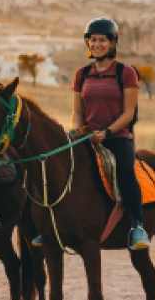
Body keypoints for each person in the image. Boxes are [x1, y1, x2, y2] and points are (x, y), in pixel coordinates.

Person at [61, 18, 148, 250]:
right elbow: (77, 110)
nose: (97, 44)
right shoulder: (82, 73)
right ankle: (54, 226)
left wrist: (107, 132)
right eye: (93, 40)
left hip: (117, 138)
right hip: (87, 137)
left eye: (102, 40)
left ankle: (137, 226)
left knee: (125, 172)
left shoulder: (125, 72)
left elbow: (128, 113)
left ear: (112, 43)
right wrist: (79, 129)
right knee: (60, 168)